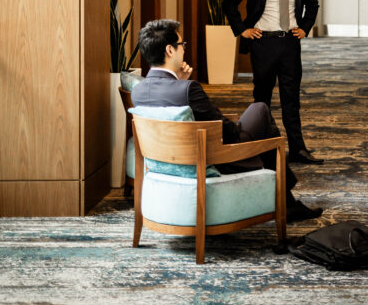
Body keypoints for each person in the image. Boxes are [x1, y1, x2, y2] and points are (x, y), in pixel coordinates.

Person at [131, 19, 323, 222]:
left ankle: (288, 201)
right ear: (170, 50)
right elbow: (224, 129)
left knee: (258, 117)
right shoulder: (188, 89)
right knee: (261, 110)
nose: (183, 50)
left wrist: (180, 83)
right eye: (182, 45)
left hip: (168, 158)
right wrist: (234, 124)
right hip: (215, 155)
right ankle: (286, 194)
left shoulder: (138, 91)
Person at [222, 0, 323, 164]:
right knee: (261, 99)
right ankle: (258, 149)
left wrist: (305, 27)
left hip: (289, 43)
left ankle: (298, 149)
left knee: (291, 99)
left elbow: (313, 4)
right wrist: (242, 30)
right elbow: (229, 2)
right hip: (263, 43)